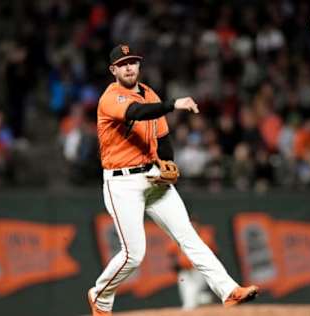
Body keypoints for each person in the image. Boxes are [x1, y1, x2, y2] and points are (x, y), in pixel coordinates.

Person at [87, 44, 258, 316]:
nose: (130, 67)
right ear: (113, 70)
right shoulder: (111, 97)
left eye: (133, 62)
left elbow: (162, 136)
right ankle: (100, 295)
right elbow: (137, 113)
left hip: (153, 178)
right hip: (122, 183)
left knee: (189, 237)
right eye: (123, 64)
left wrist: (168, 163)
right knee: (133, 254)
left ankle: (228, 290)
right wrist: (173, 104)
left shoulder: (149, 93)